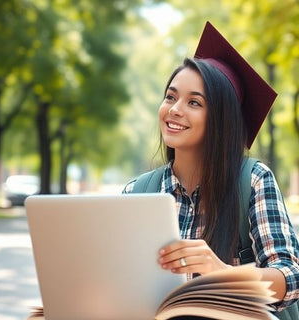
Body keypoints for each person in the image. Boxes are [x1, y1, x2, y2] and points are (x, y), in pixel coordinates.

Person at [123, 21, 299, 317]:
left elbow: (291, 276)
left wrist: (222, 273)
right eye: (170, 96)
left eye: (194, 102)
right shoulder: (136, 192)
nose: (175, 109)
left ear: (221, 119)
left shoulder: (253, 181)